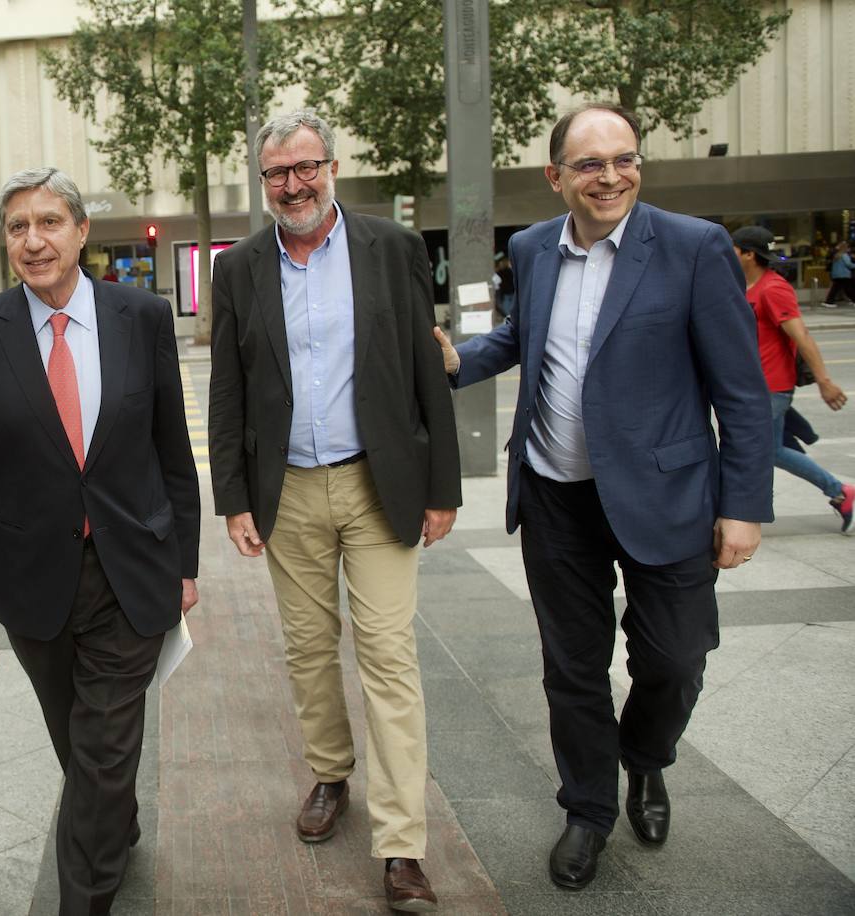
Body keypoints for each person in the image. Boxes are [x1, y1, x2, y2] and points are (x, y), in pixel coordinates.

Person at [433, 103, 773, 892]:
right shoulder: (534, 248)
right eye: (589, 165)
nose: (610, 176)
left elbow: (743, 391)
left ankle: (646, 760)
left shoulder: (693, 247)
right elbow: (526, 338)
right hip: (557, 497)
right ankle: (588, 811)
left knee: (675, 660)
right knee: (572, 671)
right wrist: (459, 361)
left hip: (668, 495)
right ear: (557, 178)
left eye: (623, 159)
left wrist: (744, 504)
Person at [208, 108, 461, 912]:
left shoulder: (392, 249)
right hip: (286, 488)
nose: (293, 184)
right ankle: (330, 773)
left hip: (377, 481)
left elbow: (426, 369)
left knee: (388, 655)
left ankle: (401, 846)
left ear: (333, 166)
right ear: (264, 181)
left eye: (305, 167)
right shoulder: (240, 267)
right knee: (310, 649)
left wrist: (442, 485)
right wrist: (234, 498)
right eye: (277, 173)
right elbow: (228, 390)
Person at [0, 167, 200, 915]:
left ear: (82, 232)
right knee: (77, 742)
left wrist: (185, 564)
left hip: (131, 570)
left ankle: (82, 899)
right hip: (31, 581)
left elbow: (171, 452)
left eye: (50, 222)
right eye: (18, 227)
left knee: (105, 743)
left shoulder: (140, 316)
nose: (33, 239)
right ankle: (117, 821)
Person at [732, 225, 854, 531]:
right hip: (752, 387)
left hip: (771, 387)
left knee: (761, 450)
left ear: (749, 254)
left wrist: (824, 381)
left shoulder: (774, 289)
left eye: (733, 248)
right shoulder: (746, 285)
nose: (728, 253)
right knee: (769, 449)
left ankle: (840, 491)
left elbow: (802, 336)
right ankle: (840, 492)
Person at [824, 240, 853, 306]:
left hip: (837, 275)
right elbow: (848, 264)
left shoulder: (837, 255)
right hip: (844, 274)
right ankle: (829, 302)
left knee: (837, 288)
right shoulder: (844, 255)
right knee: (848, 288)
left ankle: (829, 301)